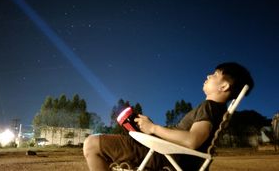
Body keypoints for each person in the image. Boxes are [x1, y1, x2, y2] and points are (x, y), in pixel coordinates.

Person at [83, 62, 254, 170]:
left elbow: (192, 140)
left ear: (224, 86)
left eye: (215, 75)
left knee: (92, 144)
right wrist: (151, 130)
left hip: (165, 156)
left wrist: (154, 128)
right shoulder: (216, 110)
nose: (208, 76)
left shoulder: (209, 107)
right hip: (167, 152)